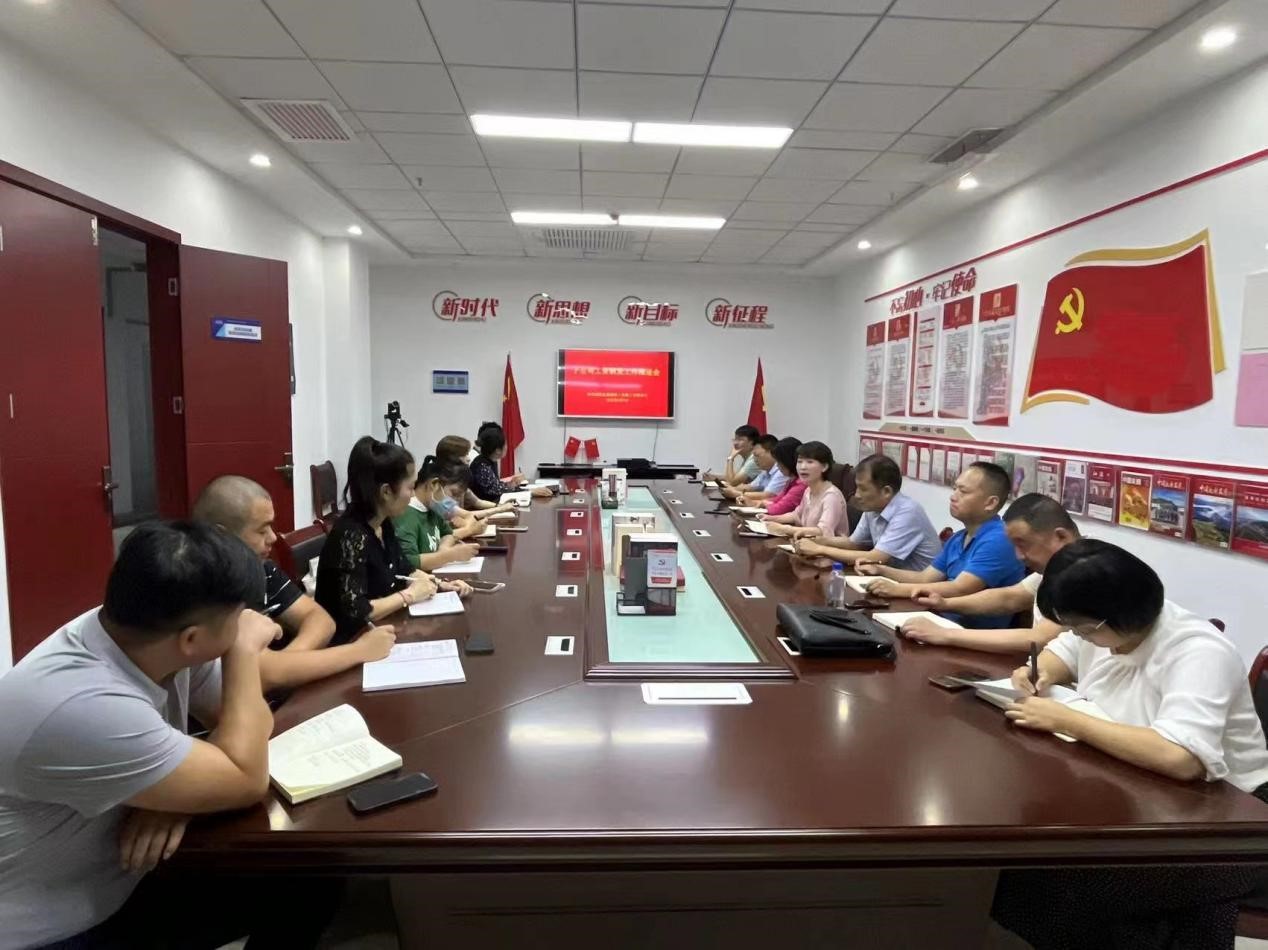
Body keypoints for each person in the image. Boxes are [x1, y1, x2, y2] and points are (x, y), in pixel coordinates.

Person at [0, 522, 339, 949]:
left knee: (311, 877)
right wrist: (242, 649)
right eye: (237, 618)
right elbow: (247, 774)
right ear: (192, 638)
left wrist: (178, 800)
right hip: (56, 927)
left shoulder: (151, 633)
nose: (248, 623)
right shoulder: (83, 704)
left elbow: (244, 724)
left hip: (123, 878)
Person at [992, 539, 1268, 950]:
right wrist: (1039, 672)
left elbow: (1182, 758)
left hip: (1227, 824)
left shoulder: (1198, 652)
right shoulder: (1103, 629)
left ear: (1119, 615)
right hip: (1144, 792)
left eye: (1083, 628)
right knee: (1022, 866)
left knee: (1056, 888)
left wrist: (1067, 719)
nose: (1078, 635)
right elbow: (1060, 654)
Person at [193, 476, 396, 689]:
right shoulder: (203, 592)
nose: (273, 537)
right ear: (222, 536)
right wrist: (359, 651)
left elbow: (321, 620)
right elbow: (261, 672)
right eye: (262, 530)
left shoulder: (262, 569)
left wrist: (284, 664)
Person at [316, 437, 469, 645]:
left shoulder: (383, 522)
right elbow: (357, 611)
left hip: (381, 630)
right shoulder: (351, 535)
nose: (413, 495)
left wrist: (441, 585)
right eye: (410, 487)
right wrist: (409, 596)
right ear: (386, 492)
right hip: (351, 642)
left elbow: (404, 568)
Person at [900, 493, 1079, 652]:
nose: (1019, 555)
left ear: (1061, 536)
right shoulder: (1059, 565)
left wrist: (945, 634)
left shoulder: (1084, 571)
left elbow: (1040, 638)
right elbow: (1010, 597)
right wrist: (945, 603)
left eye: (1023, 543)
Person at [856, 461, 1025, 627]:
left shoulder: (1000, 538)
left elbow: (960, 588)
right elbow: (924, 578)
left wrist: (896, 589)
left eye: (963, 492)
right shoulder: (958, 537)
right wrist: (881, 570)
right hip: (939, 618)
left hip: (970, 632)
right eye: (954, 489)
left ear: (990, 503)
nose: (953, 496)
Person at [791, 454, 940, 571]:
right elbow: (854, 543)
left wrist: (819, 549)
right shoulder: (874, 508)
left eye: (863, 489)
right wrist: (817, 540)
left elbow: (876, 557)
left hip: (919, 588)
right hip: (888, 579)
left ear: (886, 492)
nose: (856, 495)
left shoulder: (907, 513)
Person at [394, 455, 482, 571]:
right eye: (454, 493)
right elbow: (408, 561)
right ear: (434, 484)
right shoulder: (405, 515)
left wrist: (443, 550)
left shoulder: (432, 508)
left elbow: (447, 533)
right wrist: (450, 555)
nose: (454, 501)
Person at [759, 441, 846, 538]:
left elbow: (823, 531)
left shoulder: (832, 496)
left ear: (824, 467)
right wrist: (771, 518)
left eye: (810, 462)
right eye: (800, 462)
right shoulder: (808, 490)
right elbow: (796, 515)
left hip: (825, 546)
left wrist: (784, 529)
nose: (803, 467)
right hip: (807, 543)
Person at [468, 422, 551, 503]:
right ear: (497, 450)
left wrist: (510, 485)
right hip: (483, 508)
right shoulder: (481, 466)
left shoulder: (490, 460)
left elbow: (496, 486)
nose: (507, 447)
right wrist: (530, 492)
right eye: (505, 444)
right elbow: (497, 492)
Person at [722, 435, 789, 503]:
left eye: (757, 455)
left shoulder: (782, 471)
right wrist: (731, 489)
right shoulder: (765, 470)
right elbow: (750, 487)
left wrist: (735, 493)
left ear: (772, 453)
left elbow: (767, 496)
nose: (755, 460)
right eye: (754, 456)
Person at [758, 437, 806, 515]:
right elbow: (778, 500)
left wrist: (765, 504)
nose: (777, 465)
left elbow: (778, 509)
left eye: (779, 461)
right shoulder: (791, 481)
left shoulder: (801, 484)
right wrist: (762, 503)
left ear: (788, 461)